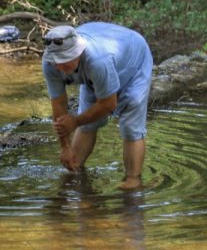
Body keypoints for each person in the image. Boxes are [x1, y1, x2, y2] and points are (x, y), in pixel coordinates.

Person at [41, 22, 153, 190]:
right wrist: (65, 147)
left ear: (78, 52)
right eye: (55, 61)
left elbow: (109, 104)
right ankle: (75, 170)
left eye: (64, 61)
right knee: (88, 123)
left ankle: (133, 180)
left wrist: (75, 121)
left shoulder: (97, 60)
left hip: (133, 64)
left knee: (130, 127)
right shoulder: (50, 65)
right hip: (98, 70)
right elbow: (59, 105)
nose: (59, 66)